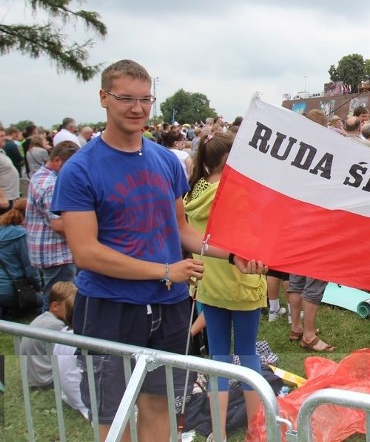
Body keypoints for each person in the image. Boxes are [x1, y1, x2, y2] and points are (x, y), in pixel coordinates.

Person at [52, 59, 266, 442]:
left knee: (161, 405)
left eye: (145, 99)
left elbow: (181, 230)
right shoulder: (80, 169)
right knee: (112, 416)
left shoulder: (166, 161)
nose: (137, 108)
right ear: (104, 98)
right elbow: (85, 253)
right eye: (126, 98)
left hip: (167, 308)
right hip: (109, 308)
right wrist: (166, 271)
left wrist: (230, 254)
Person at [184, 130, 267, 440]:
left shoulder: (192, 195)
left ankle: (217, 433)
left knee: (218, 359)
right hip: (242, 285)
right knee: (247, 357)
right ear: (229, 159)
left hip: (209, 287)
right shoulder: (238, 193)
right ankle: (256, 429)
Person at [25, 141, 79, 311]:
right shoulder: (52, 185)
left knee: (53, 297)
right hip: (57, 252)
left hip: (48, 249)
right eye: (71, 166)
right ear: (57, 161)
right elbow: (58, 224)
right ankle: (51, 333)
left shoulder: (39, 175)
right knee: (58, 302)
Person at [17, 281, 77, 387]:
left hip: (33, 376)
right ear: (54, 306)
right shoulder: (56, 326)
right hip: (46, 380)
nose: (73, 310)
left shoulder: (44, 318)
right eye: (69, 306)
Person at [0, 199, 43, 316]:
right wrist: (38, 287)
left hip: (5, 286)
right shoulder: (21, 234)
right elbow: (30, 267)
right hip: (12, 289)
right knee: (42, 300)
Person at [0, 125, 23, 215]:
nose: (4, 138)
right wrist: (1, 197)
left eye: (4, 135)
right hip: (4, 199)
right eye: (1, 136)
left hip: (10, 197)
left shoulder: (2, 151)